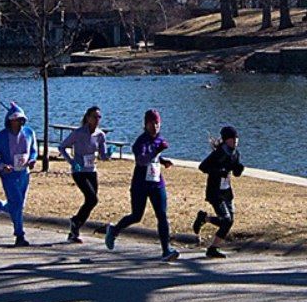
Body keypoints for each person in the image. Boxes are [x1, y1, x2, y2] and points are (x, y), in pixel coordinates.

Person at [104, 109, 179, 261]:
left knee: (162, 215)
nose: (155, 126)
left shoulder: (158, 139)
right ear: (145, 124)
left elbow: (154, 157)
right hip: (140, 185)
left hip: (157, 183)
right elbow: (141, 160)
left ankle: (166, 251)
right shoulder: (140, 142)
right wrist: (157, 150)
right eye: (152, 123)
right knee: (137, 216)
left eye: (157, 123)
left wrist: (163, 160)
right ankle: (114, 230)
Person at [58, 106, 112, 243]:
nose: (97, 120)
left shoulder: (100, 135)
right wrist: (71, 162)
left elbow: (102, 155)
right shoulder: (78, 133)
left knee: (92, 201)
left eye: (99, 117)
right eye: (94, 116)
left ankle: (75, 226)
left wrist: (108, 155)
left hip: (91, 171)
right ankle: (76, 223)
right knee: (92, 199)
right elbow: (62, 147)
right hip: (79, 171)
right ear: (87, 118)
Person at [0, 102, 38, 247]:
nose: (17, 122)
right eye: (14, 119)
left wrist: (32, 160)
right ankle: (19, 235)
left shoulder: (29, 133)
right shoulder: (1, 137)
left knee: (19, 205)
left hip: (24, 173)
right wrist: (2, 166)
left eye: (20, 119)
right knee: (16, 204)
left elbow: (33, 151)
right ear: (9, 120)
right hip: (8, 175)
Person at [192, 126, 245, 259]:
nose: (235, 141)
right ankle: (213, 248)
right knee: (226, 220)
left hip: (227, 191)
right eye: (233, 138)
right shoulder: (218, 153)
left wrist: (238, 169)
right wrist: (218, 171)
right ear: (226, 140)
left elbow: (235, 172)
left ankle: (205, 220)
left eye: (237, 138)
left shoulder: (235, 153)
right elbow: (203, 167)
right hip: (215, 192)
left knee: (229, 221)